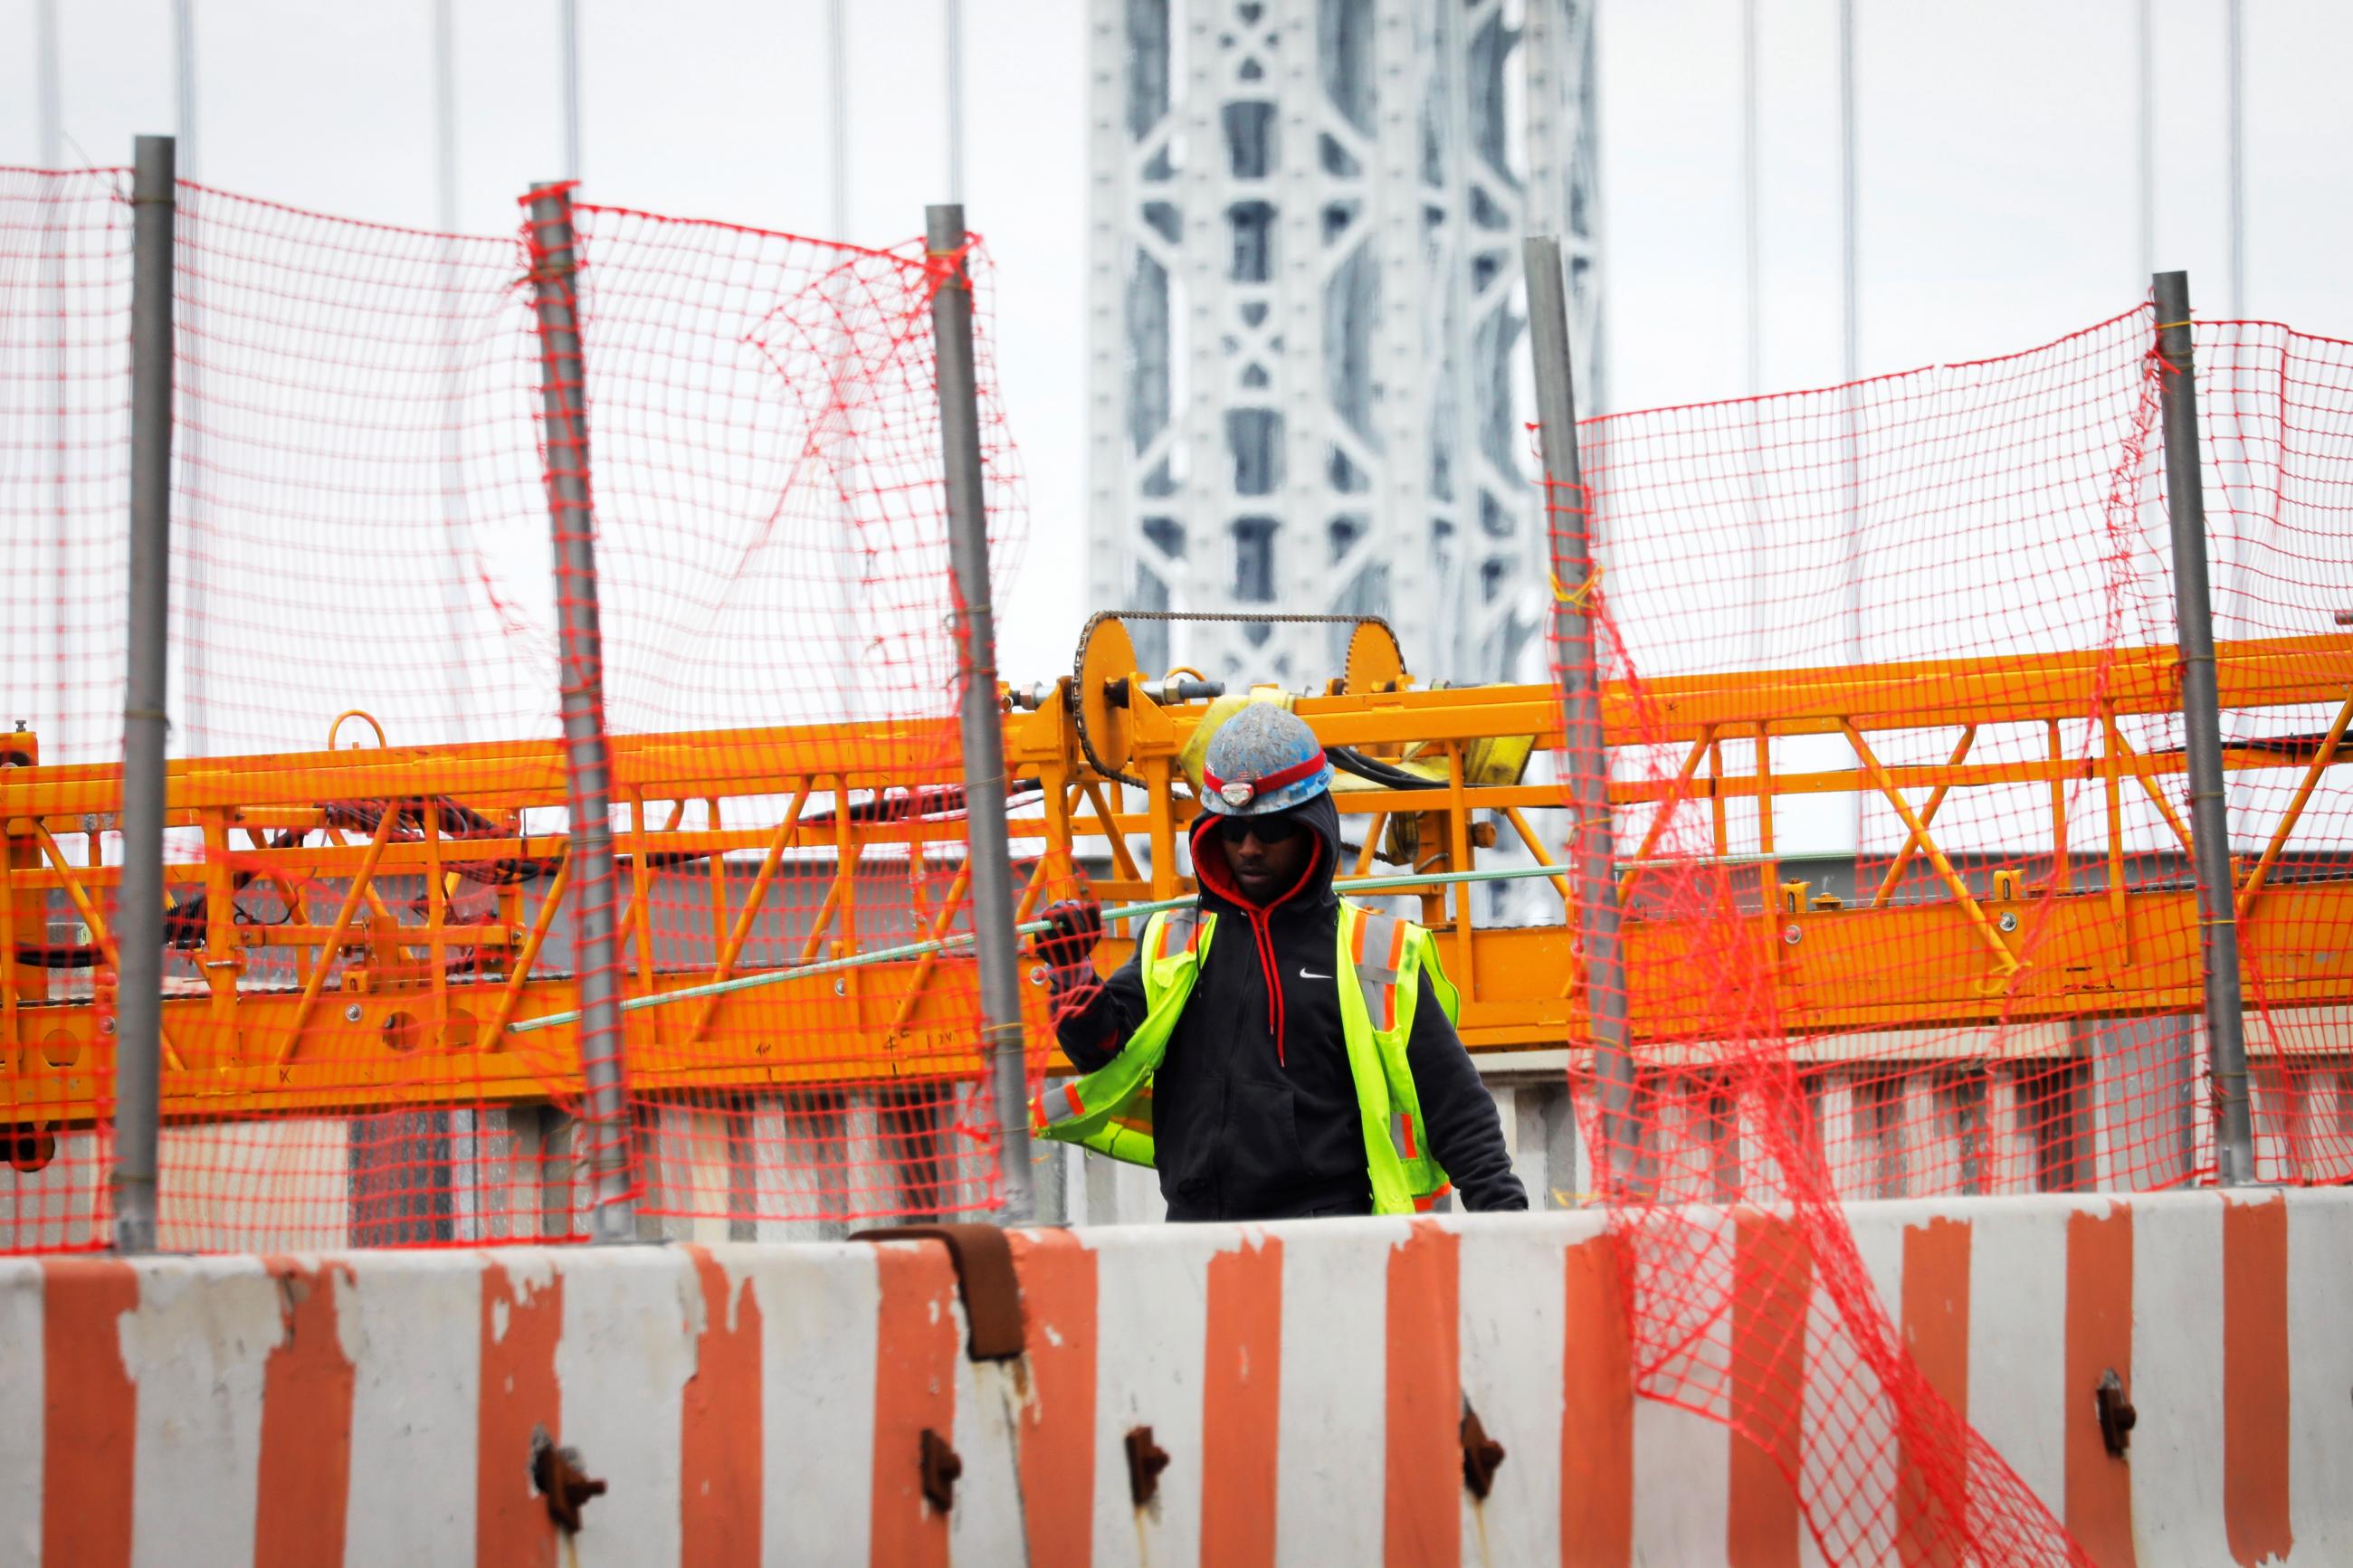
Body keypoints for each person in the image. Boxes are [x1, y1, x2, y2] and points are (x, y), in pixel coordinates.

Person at [1030, 702, 1528, 1221]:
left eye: (1269, 832)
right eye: (1231, 830)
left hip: (1330, 1238)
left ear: (1313, 827)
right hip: (1196, 1233)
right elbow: (1101, 1052)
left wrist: (1506, 1222)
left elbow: (1454, 1104)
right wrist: (1072, 973)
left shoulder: (1373, 953)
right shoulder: (1173, 941)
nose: (1248, 848)